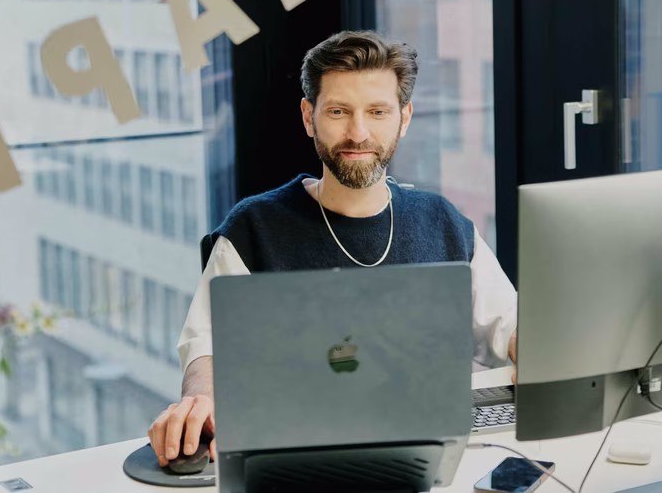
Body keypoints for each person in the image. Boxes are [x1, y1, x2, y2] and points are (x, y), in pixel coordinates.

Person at [148, 30, 518, 467]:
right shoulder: (253, 230)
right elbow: (207, 348)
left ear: (404, 117)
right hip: (301, 465)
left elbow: (509, 325)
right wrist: (201, 400)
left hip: (438, 461)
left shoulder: (443, 222)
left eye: (377, 111)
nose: (358, 133)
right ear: (309, 117)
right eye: (339, 111)